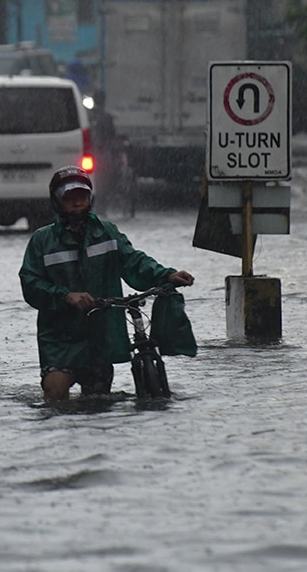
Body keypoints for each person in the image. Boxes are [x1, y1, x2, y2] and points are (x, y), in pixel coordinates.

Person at [19, 166, 195, 403]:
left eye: (82, 196)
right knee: (55, 393)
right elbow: (30, 283)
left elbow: (133, 262)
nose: (77, 202)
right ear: (57, 201)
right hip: (59, 338)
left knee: (98, 402)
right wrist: (65, 296)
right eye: (70, 197)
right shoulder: (42, 240)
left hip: (99, 337)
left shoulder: (106, 232)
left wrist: (167, 275)